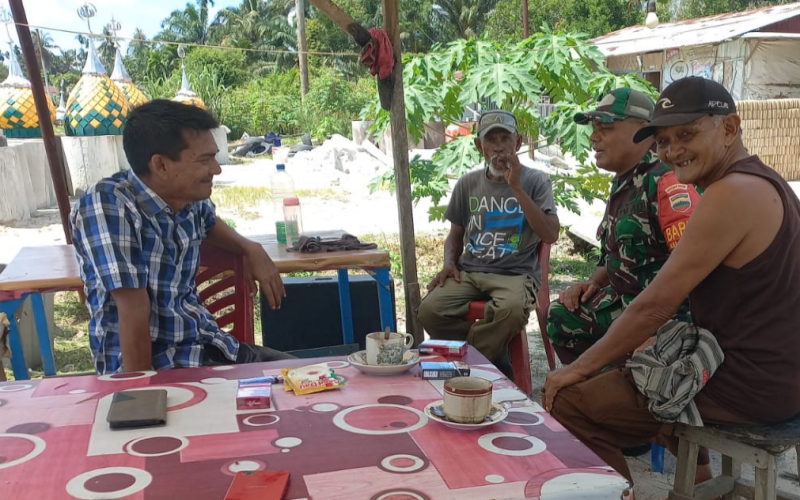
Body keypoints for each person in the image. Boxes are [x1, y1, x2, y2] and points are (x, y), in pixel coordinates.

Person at [543, 77, 800, 489]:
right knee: (637, 371)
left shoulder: (729, 193)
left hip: (745, 385)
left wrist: (572, 371)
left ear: (730, 129)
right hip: (772, 375)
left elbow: (656, 305)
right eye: (663, 140)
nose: (672, 151)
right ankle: (696, 483)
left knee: (569, 401)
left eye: (686, 134)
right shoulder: (769, 183)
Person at [71, 99, 293, 374]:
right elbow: (132, 310)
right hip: (157, 366)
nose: (217, 169)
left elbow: (210, 223)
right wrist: (141, 400)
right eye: (204, 160)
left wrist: (250, 247)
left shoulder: (189, 197)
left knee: (311, 378)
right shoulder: (108, 204)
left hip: (209, 346)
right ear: (161, 165)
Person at [547, 88, 700, 365]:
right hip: (625, 304)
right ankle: (603, 390)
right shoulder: (625, 181)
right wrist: (592, 282)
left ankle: (620, 389)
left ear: (642, 130)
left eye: (604, 127)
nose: (594, 137)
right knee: (561, 316)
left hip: (662, 316)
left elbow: (695, 274)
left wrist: (664, 330)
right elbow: (619, 253)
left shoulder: (667, 182)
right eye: (594, 128)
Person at [417, 110, 560, 375]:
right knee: (429, 310)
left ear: (517, 143)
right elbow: (455, 234)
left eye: (505, 139)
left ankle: (469, 362)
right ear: (479, 146)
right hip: (470, 271)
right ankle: (492, 354)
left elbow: (551, 234)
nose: (499, 148)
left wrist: (516, 187)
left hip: (515, 273)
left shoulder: (536, 181)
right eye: (491, 139)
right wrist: (449, 263)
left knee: (510, 311)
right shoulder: (467, 183)